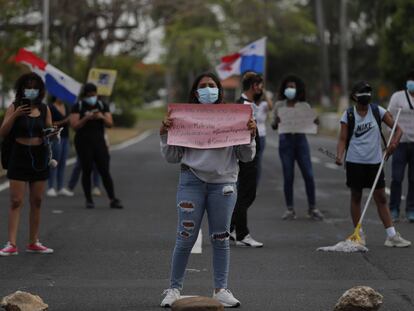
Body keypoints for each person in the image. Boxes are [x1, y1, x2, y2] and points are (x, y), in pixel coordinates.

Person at [159, 72, 256, 308]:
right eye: (202, 86)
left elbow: (246, 156)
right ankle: (173, 289)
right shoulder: (183, 117)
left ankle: (221, 289)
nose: (207, 89)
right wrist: (165, 134)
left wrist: (250, 135)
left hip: (223, 184)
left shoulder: (233, 118)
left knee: (221, 238)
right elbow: (172, 158)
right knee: (185, 237)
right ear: (195, 92)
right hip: (191, 181)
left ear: (219, 90)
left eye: (212, 85)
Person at [335, 81, 411, 247]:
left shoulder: (378, 111)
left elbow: (398, 130)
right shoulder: (348, 115)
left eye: (369, 92)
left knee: (381, 198)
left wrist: (393, 145)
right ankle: (358, 234)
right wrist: (339, 155)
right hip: (355, 162)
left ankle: (391, 236)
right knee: (356, 196)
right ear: (355, 96)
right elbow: (342, 139)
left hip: (375, 162)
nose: (367, 95)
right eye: (363, 92)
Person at [0, 72, 55, 256]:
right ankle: (12, 243)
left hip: (39, 157)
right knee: (16, 201)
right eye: (28, 87)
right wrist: (15, 115)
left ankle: (33, 241)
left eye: (35, 87)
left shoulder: (44, 108)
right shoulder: (14, 106)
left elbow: (48, 129)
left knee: (37, 201)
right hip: (19, 155)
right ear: (22, 89)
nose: (31, 90)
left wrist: (52, 133)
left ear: (40, 90)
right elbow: (3, 131)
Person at [271, 75, 323, 221]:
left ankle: (312, 207)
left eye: (293, 87)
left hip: (301, 142)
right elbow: (273, 126)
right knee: (288, 176)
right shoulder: (279, 106)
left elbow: (314, 123)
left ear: (297, 89)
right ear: (284, 89)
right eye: (288, 87)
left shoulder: (304, 106)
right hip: (285, 143)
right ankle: (290, 209)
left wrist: (316, 120)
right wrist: (277, 121)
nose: (290, 89)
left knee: (309, 174)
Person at [70, 82, 122, 209]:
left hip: (99, 141)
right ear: (85, 95)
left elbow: (110, 124)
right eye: (89, 95)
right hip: (83, 142)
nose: (92, 97)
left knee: (104, 170)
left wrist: (101, 117)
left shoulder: (102, 105)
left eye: (94, 94)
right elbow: (74, 125)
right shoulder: (78, 106)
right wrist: (86, 118)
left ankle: (112, 198)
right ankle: (89, 199)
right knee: (86, 169)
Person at [230, 72, 264, 248]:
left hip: (251, 153)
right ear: (254, 86)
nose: (262, 89)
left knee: (246, 194)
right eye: (260, 85)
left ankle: (231, 228)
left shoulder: (250, 104)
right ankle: (242, 234)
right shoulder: (242, 106)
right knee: (246, 193)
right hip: (245, 156)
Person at [387, 69, 414, 222]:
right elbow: (389, 116)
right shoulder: (398, 97)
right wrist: (392, 137)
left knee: (413, 179)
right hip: (400, 143)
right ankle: (394, 208)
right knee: (397, 177)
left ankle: (411, 209)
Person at [46, 96, 73, 197]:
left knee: (62, 163)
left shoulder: (66, 106)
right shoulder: (50, 107)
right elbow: (50, 124)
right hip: (55, 138)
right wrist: (65, 121)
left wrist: (70, 120)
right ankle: (50, 187)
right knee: (54, 162)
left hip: (65, 137)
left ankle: (60, 187)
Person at [254, 91, 273, 185]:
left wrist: (264, 92)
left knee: (258, 161)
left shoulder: (264, 105)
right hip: (250, 136)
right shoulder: (250, 104)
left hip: (261, 136)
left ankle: (255, 185)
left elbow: (271, 107)